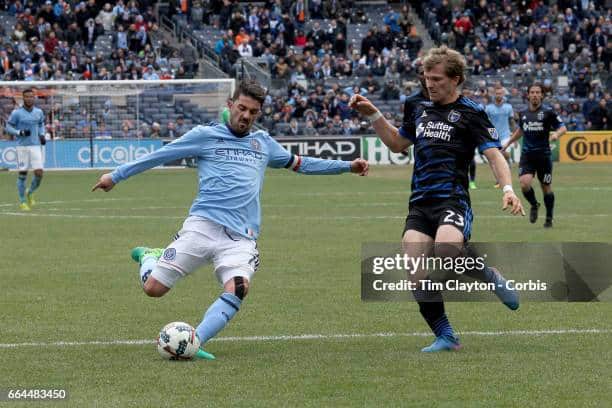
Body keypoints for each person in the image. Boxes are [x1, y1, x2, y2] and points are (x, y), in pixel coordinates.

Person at [92, 80, 369, 360]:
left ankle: (194, 341)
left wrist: (346, 166)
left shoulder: (263, 144)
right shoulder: (204, 136)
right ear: (230, 106)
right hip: (201, 227)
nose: (246, 115)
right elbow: (159, 155)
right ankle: (150, 257)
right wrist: (114, 176)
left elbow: (301, 163)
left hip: (241, 238)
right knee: (153, 289)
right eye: (242, 108)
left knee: (239, 286)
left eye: (253, 112)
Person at [350, 46, 524, 352]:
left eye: (436, 78)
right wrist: (374, 115)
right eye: (425, 77)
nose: (429, 84)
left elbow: (494, 156)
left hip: (453, 199)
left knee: (446, 250)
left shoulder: (472, 112)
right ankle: (445, 335)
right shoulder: (416, 106)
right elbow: (397, 143)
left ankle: (488, 274)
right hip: (420, 202)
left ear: (455, 79)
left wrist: (508, 189)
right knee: (414, 268)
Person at [502, 83, 567, 228]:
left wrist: (556, 134)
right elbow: (520, 130)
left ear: (542, 95)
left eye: (538, 92)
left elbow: (563, 128)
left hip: (543, 157)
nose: (535, 95)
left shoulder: (549, 112)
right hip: (527, 157)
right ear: (528, 95)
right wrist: (507, 143)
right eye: (532, 92)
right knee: (524, 184)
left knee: (546, 188)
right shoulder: (523, 113)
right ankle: (534, 204)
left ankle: (549, 218)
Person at [6, 89, 46, 211]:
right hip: (22, 147)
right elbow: (8, 127)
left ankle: (30, 192)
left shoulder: (39, 112)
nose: (29, 98)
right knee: (23, 174)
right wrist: (19, 132)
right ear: (23, 98)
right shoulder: (17, 113)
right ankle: (23, 201)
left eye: (31, 96)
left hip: (35, 146)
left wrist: (42, 134)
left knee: (39, 173)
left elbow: (41, 124)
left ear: (34, 98)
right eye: (27, 97)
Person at [486, 86, 516, 188]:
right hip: (493, 136)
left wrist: (514, 134)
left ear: (503, 94)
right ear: (494, 94)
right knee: (495, 159)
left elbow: (512, 122)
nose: (498, 95)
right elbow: (486, 122)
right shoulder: (489, 108)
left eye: (500, 93)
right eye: (497, 93)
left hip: (506, 135)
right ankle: (499, 180)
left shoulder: (508, 107)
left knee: (503, 153)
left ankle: (509, 161)